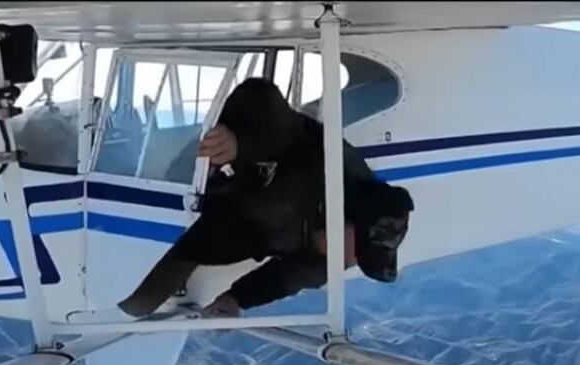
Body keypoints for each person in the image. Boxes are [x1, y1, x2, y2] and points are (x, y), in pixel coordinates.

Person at [117, 77, 414, 319]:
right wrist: (241, 144)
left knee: (143, 299)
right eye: (355, 252)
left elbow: (283, 280)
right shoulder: (331, 163)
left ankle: (127, 311)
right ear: (350, 219)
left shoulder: (326, 261)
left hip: (228, 231)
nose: (348, 261)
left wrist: (235, 299)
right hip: (203, 171)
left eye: (356, 260)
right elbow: (263, 98)